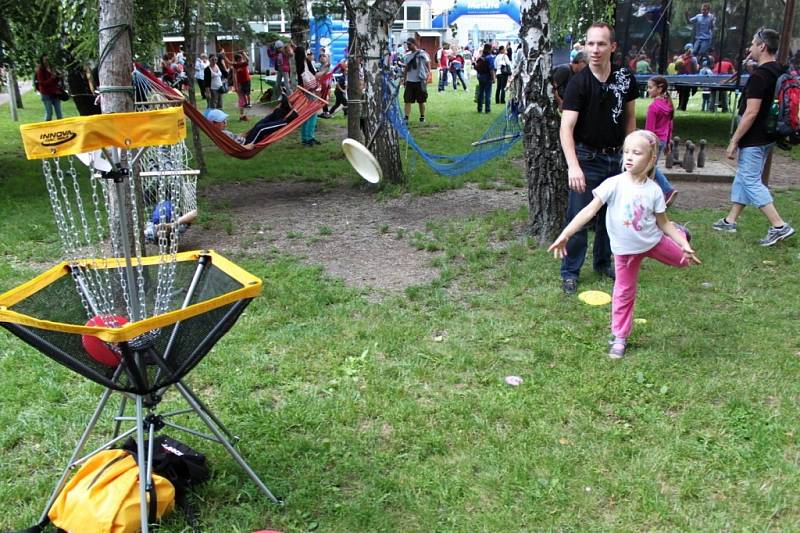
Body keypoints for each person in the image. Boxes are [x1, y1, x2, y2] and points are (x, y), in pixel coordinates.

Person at [549, 130, 700, 358]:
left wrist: (682, 243)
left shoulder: (654, 191)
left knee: (683, 262)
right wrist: (566, 234)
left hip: (653, 241)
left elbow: (664, 224)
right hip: (626, 252)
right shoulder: (613, 184)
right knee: (624, 292)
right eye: (626, 151)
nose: (629, 157)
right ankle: (620, 337)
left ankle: (683, 234)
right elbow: (588, 211)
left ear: (650, 159)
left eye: (636, 153)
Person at [558, 22, 638, 295]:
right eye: (590, 43)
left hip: (616, 159)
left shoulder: (625, 78)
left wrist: (632, 157)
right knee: (579, 218)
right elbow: (566, 128)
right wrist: (573, 166)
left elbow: (630, 121)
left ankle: (603, 264)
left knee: (611, 219)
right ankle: (570, 271)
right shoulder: (578, 83)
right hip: (586, 158)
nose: (594, 50)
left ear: (612, 47)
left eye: (601, 44)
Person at [712, 28, 795, 246]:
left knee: (750, 180)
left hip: (754, 138)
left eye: (752, 43)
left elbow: (751, 112)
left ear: (762, 47)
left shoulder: (759, 76)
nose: (750, 47)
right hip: (769, 135)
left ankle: (779, 226)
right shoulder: (780, 70)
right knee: (745, 177)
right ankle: (730, 220)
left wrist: (734, 141)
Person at [645, 76, 679, 206]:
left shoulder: (654, 107)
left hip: (654, 142)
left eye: (650, 87)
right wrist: (668, 142)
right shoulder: (668, 104)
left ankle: (667, 190)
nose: (648, 90)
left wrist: (647, 145)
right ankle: (654, 195)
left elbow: (649, 131)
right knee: (650, 168)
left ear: (659, 89)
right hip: (663, 140)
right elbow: (670, 126)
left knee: (649, 167)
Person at [295, 44, 322, 147]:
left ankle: (306, 138)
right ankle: (308, 138)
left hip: (304, 91)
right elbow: (315, 74)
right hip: (309, 91)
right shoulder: (306, 63)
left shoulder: (299, 63)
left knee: (306, 115)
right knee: (312, 114)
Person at [401, 37, 430, 123]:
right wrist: (404, 78)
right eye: (407, 44)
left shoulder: (422, 54)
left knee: (421, 100)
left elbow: (428, 64)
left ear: (414, 44)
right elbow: (406, 68)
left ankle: (422, 116)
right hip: (410, 81)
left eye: (409, 44)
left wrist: (428, 76)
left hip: (420, 81)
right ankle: (406, 117)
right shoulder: (407, 55)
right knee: (407, 100)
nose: (408, 46)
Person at [34, 54, 63, 121]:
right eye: (45, 59)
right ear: (42, 60)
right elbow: (42, 83)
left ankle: (62, 128)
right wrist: (52, 78)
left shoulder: (52, 68)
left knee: (59, 113)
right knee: (49, 113)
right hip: (46, 93)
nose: (47, 61)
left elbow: (55, 81)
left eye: (48, 59)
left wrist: (58, 77)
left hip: (55, 93)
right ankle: (47, 129)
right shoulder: (40, 70)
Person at [475, 43, 495, 113]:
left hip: (481, 76)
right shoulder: (490, 57)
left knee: (481, 92)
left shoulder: (481, 57)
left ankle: (479, 108)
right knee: (487, 94)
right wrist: (493, 78)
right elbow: (491, 69)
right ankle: (487, 109)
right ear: (490, 49)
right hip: (487, 76)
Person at [232, 51, 252, 120]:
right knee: (241, 99)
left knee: (242, 99)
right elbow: (234, 76)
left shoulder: (243, 64)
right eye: (239, 59)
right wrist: (236, 86)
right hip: (239, 84)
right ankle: (242, 115)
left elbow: (247, 60)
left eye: (241, 58)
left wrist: (244, 53)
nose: (241, 60)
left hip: (244, 82)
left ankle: (242, 115)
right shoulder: (235, 66)